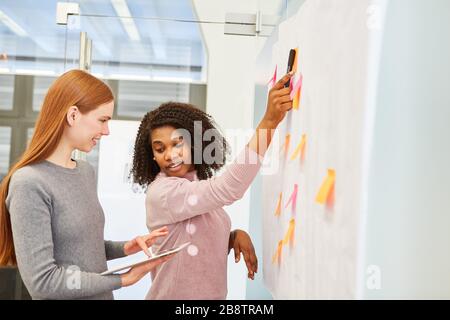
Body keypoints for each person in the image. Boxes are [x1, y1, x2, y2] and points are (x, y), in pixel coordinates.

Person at [0, 69, 172, 299]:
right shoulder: (29, 183)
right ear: (73, 115)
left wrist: (124, 248)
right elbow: (43, 282)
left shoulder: (84, 172)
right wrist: (121, 279)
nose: (106, 131)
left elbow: (80, 250)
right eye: (102, 120)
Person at [130, 72, 294, 299]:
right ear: (152, 156)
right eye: (160, 149)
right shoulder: (165, 193)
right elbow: (229, 188)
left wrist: (232, 236)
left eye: (178, 143)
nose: (170, 155)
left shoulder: (194, 186)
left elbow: (193, 240)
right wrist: (268, 123)